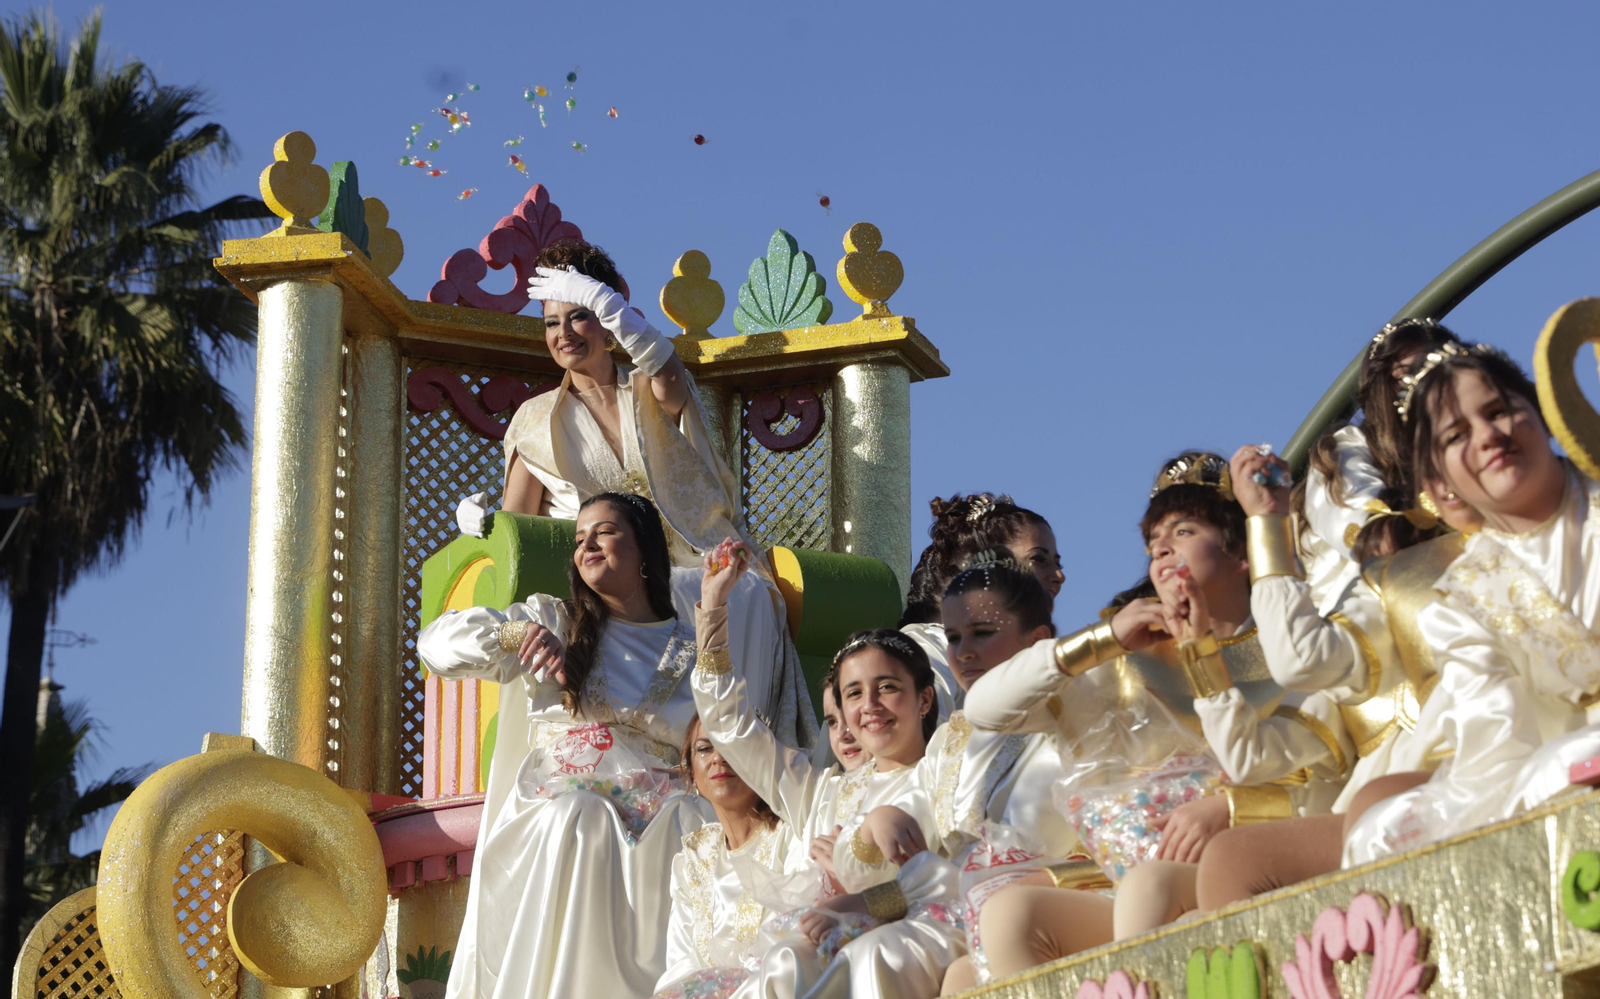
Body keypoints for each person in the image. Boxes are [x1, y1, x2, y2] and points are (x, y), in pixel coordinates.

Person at [961, 453, 1349, 974]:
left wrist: (1231, 808)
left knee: (1150, 884)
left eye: (1184, 530)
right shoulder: (1121, 657)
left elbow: (1322, 780)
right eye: (1153, 541)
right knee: (1007, 915)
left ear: (1242, 551)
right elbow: (984, 707)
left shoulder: (1289, 652)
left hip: (1239, 871)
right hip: (1126, 882)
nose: (1162, 548)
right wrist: (1103, 640)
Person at [417, 493, 786, 999]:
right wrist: (516, 633)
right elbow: (434, 646)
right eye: (579, 537)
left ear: (643, 551)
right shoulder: (555, 620)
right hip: (561, 805)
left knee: (694, 826)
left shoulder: (687, 643)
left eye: (605, 532)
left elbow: (725, 722)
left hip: (663, 809)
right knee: (584, 818)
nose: (587, 544)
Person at [455, 239, 814, 748]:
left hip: (685, 558)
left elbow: (668, 373)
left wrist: (607, 304)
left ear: (608, 316)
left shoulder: (648, 388)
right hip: (604, 582)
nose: (564, 334)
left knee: (745, 591)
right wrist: (481, 523)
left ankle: (740, 758)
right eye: (551, 322)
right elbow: (519, 519)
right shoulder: (534, 419)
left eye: (579, 315)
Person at [1180, 438, 1484, 913]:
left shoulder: (1465, 560)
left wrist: (1268, 522)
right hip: (1373, 821)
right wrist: (1198, 652)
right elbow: (1249, 757)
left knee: (1376, 809)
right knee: (1226, 864)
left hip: (1474, 774)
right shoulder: (1361, 614)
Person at [1344, 342, 1600, 864]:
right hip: (1567, 768)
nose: (1489, 438)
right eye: (1457, 435)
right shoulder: (1463, 601)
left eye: (1499, 411)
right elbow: (1497, 750)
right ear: (1440, 485)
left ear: (1543, 416)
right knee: (1384, 830)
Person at [695, 547, 965, 999]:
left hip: (908, 946)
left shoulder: (947, 773)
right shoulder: (820, 794)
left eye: (888, 688)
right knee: (783, 961)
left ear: (923, 700)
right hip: (815, 948)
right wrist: (714, 610)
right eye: (853, 694)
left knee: (846, 958)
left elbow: (951, 877)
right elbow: (730, 724)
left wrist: (857, 902)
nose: (870, 706)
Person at [840, 550, 1076, 993]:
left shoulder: (1068, 714)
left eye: (982, 633)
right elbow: (880, 863)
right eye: (953, 638)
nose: (964, 653)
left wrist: (881, 900)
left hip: (1043, 911)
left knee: (876, 955)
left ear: (1037, 639)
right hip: (956, 917)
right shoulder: (952, 742)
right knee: (828, 948)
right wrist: (875, 825)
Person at [1298, 318, 1461, 606]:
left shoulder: (1468, 456)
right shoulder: (1345, 450)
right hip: (1359, 630)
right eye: (1409, 373)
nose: (1426, 383)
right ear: (1382, 387)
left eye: (1439, 371)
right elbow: (1373, 538)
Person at [654, 717, 808, 999]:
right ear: (689, 773)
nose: (719, 758)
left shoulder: (793, 837)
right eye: (704, 749)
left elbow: (799, 947)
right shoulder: (695, 858)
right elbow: (681, 963)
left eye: (733, 744)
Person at [899, 494, 1065, 718]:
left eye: (1058, 562)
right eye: (1038, 559)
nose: (1059, 575)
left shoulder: (1029, 660)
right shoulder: (930, 648)